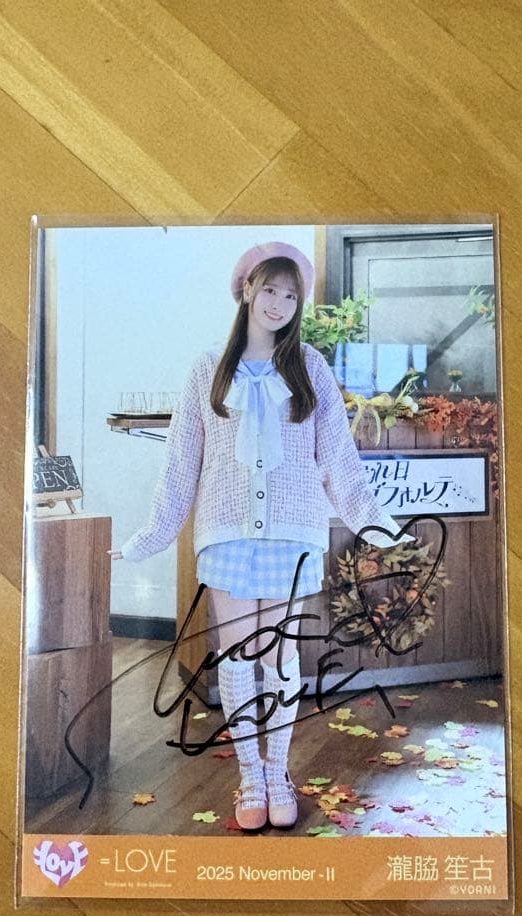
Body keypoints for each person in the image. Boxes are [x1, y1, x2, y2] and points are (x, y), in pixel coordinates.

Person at [111, 241, 416, 832]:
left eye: (290, 295)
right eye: (270, 289)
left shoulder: (310, 368)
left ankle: (278, 773)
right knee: (236, 657)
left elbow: (339, 460)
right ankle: (251, 776)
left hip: (293, 536)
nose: (279, 303)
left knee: (280, 655)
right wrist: (146, 539)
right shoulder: (208, 368)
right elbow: (181, 463)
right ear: (247, 289)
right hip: (227, 535)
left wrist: (377, 525)